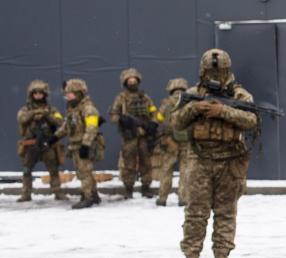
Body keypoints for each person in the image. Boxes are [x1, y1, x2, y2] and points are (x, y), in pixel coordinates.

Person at [172, 49, 257, 258]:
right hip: (199, 161)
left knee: (226, 212)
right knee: (195, 212)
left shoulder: (239, 95)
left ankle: (222, 256)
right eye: (211, 71)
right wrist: (194, 109)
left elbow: (251, 120)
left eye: (219, 71)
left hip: (229, 162)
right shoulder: (192, 94)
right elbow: (176, 123)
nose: (215, 75)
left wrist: (223, 111)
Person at [109, 67, 159, 199]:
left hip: (144, 135)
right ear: (125, 82)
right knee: (128, 163)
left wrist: (153, 123)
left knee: (146, 162)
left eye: (134, 80)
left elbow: (154, 112)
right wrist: (122, 119)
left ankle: (146, 187)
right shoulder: (121, 98)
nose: (132, 82)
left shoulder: (145, 97)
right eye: (129, 80)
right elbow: (113, 115)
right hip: (129, 136)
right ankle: (128, 188)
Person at [15, 80, 67, 202]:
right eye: (35, 93)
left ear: (45, 94)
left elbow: (60, 121)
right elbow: (21, 119)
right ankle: (26, 194)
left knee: (53, 169)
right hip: (30, 145)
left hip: (46, 144)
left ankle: (57, 192)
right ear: (31, 94)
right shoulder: (25, 109)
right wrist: (33, 114)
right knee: (26, 170)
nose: (38, 95)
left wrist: (47, 115)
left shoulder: (51, 109)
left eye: (40, 93)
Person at [58, 78, 105, 209]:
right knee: (84, 172)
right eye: (66, 93)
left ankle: (87, 197)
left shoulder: (88, 108)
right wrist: (54, 137)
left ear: (78, 93)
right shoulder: (72, 109)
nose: (67, 96)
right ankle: (94, 195)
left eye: (70, 93)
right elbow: (66, 127)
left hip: (84, 144)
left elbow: (92, 128)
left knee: (84, 172)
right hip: (75, 145)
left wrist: (85, 145)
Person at [153, 77, 191, 206]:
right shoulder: (189, 102)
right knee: (185, 170)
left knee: (166, 170)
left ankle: (162, 198)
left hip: (169, 141)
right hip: (186, 140)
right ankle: (183, 198)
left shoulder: (166, 103)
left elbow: (157, 119)